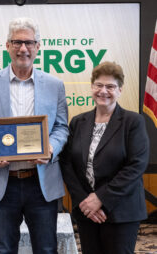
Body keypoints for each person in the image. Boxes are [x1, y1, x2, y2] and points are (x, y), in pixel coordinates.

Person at [0, 17, 69, 253]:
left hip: (40, 183)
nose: (23, 48)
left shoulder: (55, 85)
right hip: (2, 183)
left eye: (29, 43)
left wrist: (51, 149)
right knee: (2, 249)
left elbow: (62, 127)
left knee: (46, 248)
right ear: (7, 46)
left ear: (38, 47)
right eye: (17, 42)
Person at [60, 61, 150, 254]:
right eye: (99, 85)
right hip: (86, 212)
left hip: (121, 211)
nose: (103, 91)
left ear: (120, 90)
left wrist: (100, 199)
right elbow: (67, 163)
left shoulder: (133, 122)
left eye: (110, 86)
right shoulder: (78, 122)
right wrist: (84, 201)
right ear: (92, 87)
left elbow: (136, 166)